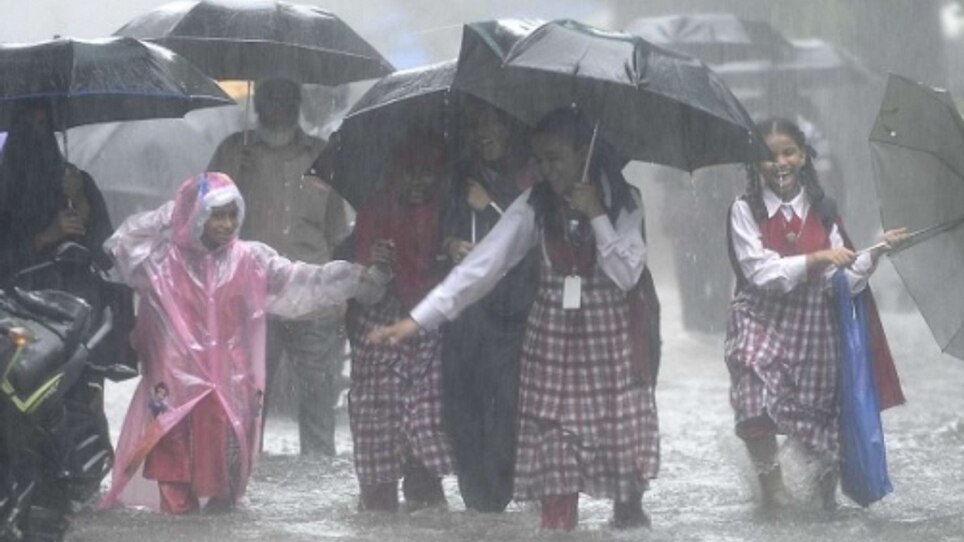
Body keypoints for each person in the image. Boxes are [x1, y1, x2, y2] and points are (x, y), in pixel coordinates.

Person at [371, 108, 661, 531]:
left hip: (613, 351)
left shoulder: (623, 199)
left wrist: (597, 213)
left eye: (556, 158)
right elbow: (485, 265)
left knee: (626, 485)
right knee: (555, 473)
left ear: (584, 153)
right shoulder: (535, 204)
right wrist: (418, 320)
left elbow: (626, 273)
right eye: (540, 159)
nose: (545, 169)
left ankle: (630, 519)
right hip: (552, 352)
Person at [101, 172, 390, 514]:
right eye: (215, 215)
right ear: (194, 215)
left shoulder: (249, 260)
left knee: (226, 481)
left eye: (231, 214)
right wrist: (172, 212)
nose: (225, 224)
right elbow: (121, 244)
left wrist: (356, 279)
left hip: (229, 386)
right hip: (173, 387)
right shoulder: (162, 261)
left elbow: (301, 280)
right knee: (174, 474)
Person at [724, 118, 908, 512]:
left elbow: (845, 280)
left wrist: (877, 252)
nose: (780, 163)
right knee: (753, 393)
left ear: (804, 156)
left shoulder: (823, 210)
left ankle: (822, 509)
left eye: (788, 152)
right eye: (769, 156)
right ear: (755, 163)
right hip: (759, 318)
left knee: (819, 429)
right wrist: (818, 257)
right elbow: (760, 274)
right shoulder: (744, 209)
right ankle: (772, 496)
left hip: (815, 326)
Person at [208, 77, 349, 456]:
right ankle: (240, 479)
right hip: (251, 295)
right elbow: (206, 221)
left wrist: (342, 297)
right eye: (271, 97)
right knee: (248, 400)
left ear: (298, 104)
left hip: (314, 298)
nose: (278, 106)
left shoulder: (323, 156)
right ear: (259, 103)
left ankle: (318, 496)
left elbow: (337, 231)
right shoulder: (235, 152)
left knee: (319, 404)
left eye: (287, 98)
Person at [345, 131, 455, 513]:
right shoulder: (375, 212)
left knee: (427, 418)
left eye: (427, 173)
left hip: (431, 326)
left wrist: (449, 253)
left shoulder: (448, 213)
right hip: (379, 331)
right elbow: (361, 290)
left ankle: (425, 496)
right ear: (395, 172)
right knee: (378, 418)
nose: (418, 182)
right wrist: (375, 268)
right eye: (410, 172)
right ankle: (377, 505)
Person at [438, 101, 538, 512]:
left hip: (514, 309)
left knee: (508, 399)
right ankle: (475, 494)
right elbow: (441, 229)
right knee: (463, 397)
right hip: (467, 312)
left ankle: (499, 489)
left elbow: (533, 234)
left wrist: (492, 205)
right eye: (477, 125)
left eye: (493, 124)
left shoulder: (531, 177)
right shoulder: (459, 176)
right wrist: (451, 246)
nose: (485, 133)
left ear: (509, 127)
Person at [0, 98, 113, 280]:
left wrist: (80, 202)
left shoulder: (76, 181)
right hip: (20, 301)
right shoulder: (4, 190)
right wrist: (44, 238)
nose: (36, 133)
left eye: (42, 124)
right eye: (27, 125)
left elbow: (108, 257)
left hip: (79, 299)